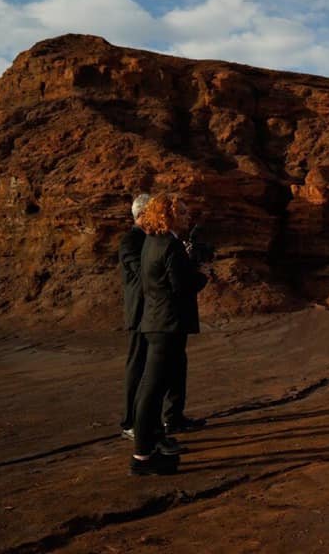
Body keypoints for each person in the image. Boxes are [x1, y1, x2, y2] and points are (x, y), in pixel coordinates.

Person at [132, 194, 207, 475]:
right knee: (152, 389)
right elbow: (181, 286)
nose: (187, 217)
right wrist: (202, 273)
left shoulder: (151, 242)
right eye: (182, 212)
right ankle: (142, 456)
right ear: (170, 216)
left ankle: (150, 447)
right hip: (167, 324)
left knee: (152, 387)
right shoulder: (170, 245)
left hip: (155, 321)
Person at [118, 193, 149, 440]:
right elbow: (140, 272)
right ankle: (130, 421)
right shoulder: (130, 240)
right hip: (140, 312)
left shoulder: (149, 238)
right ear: (142, 214)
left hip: (154, 311)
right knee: (137, 365)